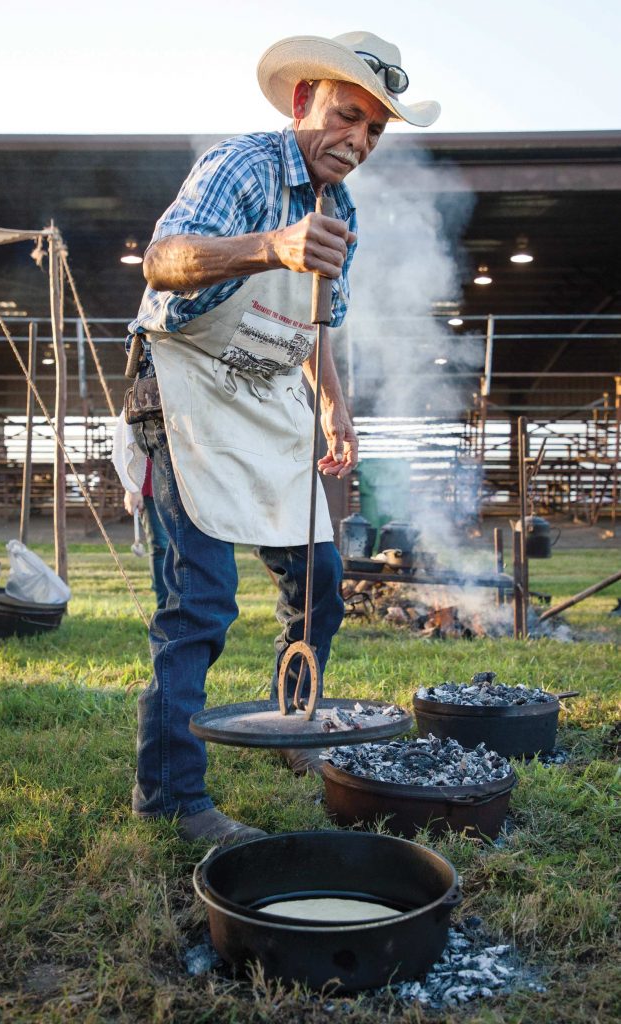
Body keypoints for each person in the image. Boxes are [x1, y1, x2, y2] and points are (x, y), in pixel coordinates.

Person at [123, 30, 440, 845]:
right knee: (197, 604)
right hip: (185, 391)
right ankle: (170, 797)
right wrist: (271, 245)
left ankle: (289, 722)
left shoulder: (343, 212)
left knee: (321, 581)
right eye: (347, 116)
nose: (359, 141)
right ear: (304, 101)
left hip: (266, 399)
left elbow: (314, 328)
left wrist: (332, 404)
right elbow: (163, 261)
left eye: (374, 130)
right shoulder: (245, 165)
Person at [123, 459, 169, 609]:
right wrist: (131, 487)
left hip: (188, 478)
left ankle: (190, 613)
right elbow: (127, 438)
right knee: (161, 548)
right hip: (150, 478)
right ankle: (166, 610)